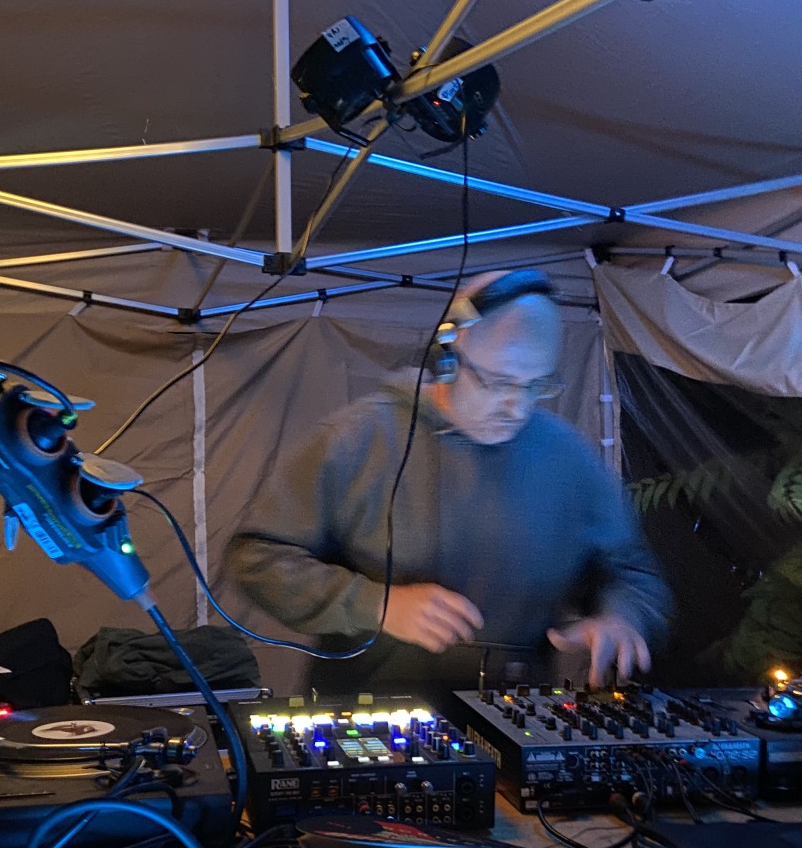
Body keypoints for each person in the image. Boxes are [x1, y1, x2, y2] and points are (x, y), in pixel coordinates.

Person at [223, 269, 671, 698]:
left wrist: (621, 617)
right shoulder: (357, 439)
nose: (516, 408)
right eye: (498, 382)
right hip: (367, 717)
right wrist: (375, 605)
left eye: (536, 386)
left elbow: (631, 573)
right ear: (447, 357)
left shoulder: (568, 458)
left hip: (513, 719)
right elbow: (258, 557)